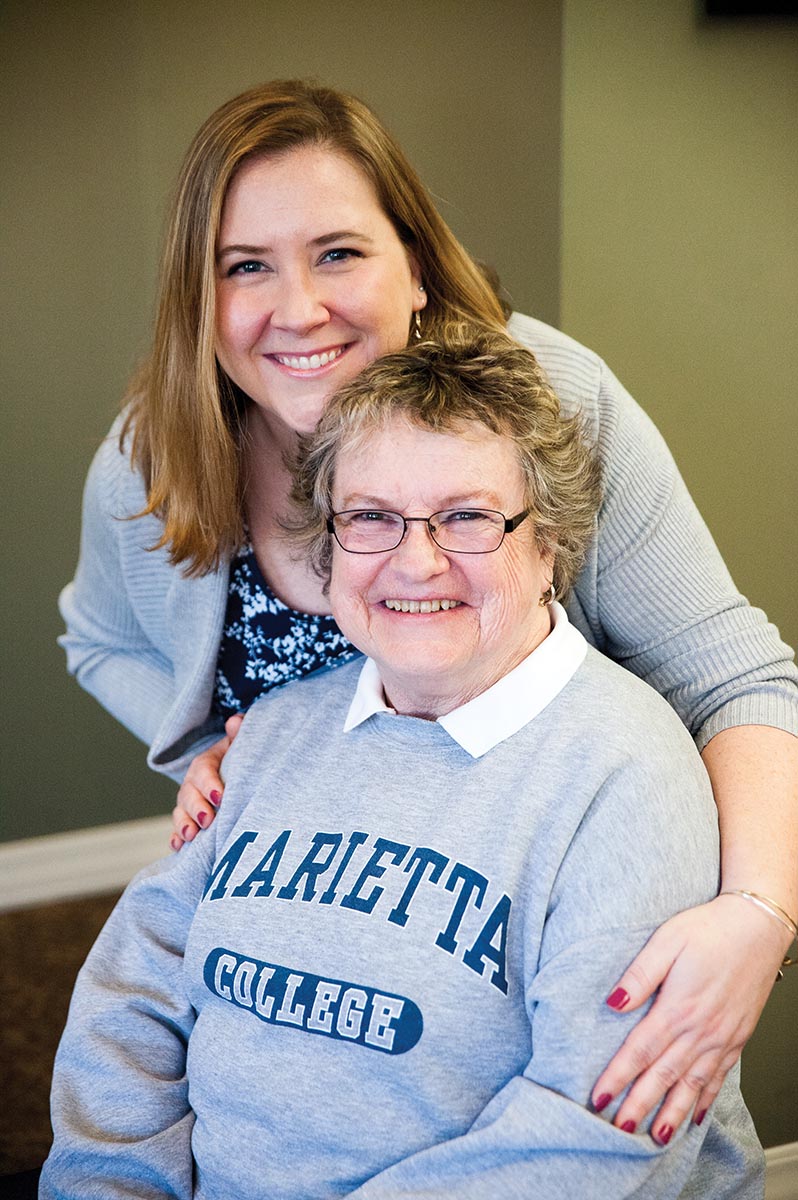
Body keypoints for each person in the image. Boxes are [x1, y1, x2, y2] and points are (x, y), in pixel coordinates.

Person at [57, 79, 798, 1142]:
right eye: (245, 266)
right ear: (197, 299)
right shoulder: (152, 457)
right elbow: (98, 639)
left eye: (340, 252)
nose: (299, 307)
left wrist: (756, 915)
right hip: (302, 910)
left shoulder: (551, 403)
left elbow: (736, 677)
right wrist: (225, 757)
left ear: (416, 262)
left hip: (512, 929)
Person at [42, 334, 764, 1198]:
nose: (416, 560)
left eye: (467, 517)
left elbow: (594, 1138)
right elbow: (133, 999)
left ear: (550, 543)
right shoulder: (273, 735)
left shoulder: (628, 778)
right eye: (372, 517)